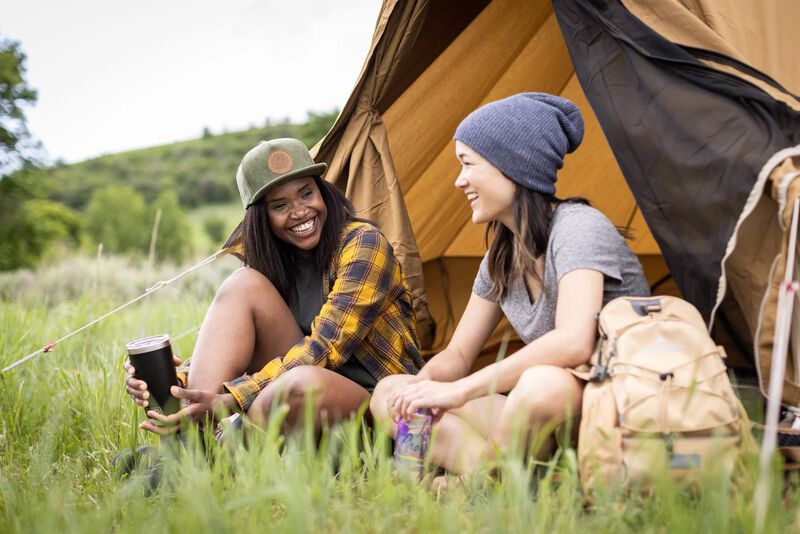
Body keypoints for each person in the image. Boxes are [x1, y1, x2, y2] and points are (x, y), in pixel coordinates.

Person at [370, 93, 650, 476]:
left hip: (605, 407)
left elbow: (574, 342)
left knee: (542, 383)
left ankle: (482, 483)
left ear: (513, 166)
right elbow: (457, 356)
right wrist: (421, 392)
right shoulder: (502, 255)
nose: (459, 180)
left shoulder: (578, 228)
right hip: (540, 415)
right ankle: (503, 480)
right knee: (391, 391)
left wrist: (459, 391)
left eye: (468, 164)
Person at [125, 138, 425, 436]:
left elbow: (325, 347)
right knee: (242, 284)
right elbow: (241, 351)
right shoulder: (275, 267)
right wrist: (174, 383)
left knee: (297, 386)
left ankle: (224, 450)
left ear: (322, 192)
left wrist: (231, 400)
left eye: (306, 193)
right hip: (298, 401)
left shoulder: (363, 243)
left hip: (379, 407)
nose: (299, 211)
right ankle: (186, 446)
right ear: (262, 219)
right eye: (280, 205)